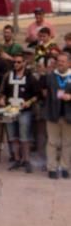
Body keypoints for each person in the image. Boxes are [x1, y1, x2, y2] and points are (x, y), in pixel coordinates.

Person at [0, 52, 39, 173]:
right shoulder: (8, 75)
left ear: (24, 63)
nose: (16, 64)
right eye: (14, 62)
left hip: (24, 111)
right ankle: (16, 159)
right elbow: (2, 91)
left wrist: (29, 102)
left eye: (19, 62)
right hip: (10, 110)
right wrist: (2, 98)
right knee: (13, 137)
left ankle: (26, 160)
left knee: (24, 137)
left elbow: (37, 95)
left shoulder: (30, 77)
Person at [41, 51, 71, 180]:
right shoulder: (50, 76)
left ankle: (65, 167)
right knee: (52, 142)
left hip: (69, 116)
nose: (60, 63)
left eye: (63, 61)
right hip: (53, 114)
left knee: (67, 143)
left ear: (69, 63)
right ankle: (52, 168)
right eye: (59, 61)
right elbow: (42, 90)